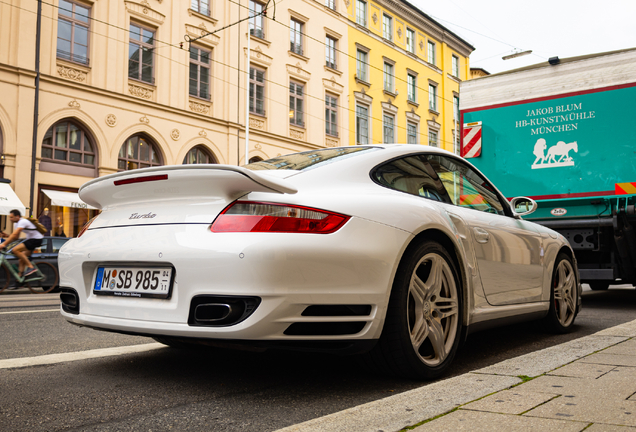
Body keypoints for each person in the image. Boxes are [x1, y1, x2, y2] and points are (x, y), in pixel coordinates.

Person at [0, 209, 44, 277]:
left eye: (11, 217)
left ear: (17, 216)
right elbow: (16, 237)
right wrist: (8, 236)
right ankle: (19, 280)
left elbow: (14, 235)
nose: (10, 219)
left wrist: (3, 244)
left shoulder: (22, 221)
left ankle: (31, 267)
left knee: (15, 250)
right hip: (32, 240)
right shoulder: (16, 224)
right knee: (21, 259)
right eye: (9, 217)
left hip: (36, 239)